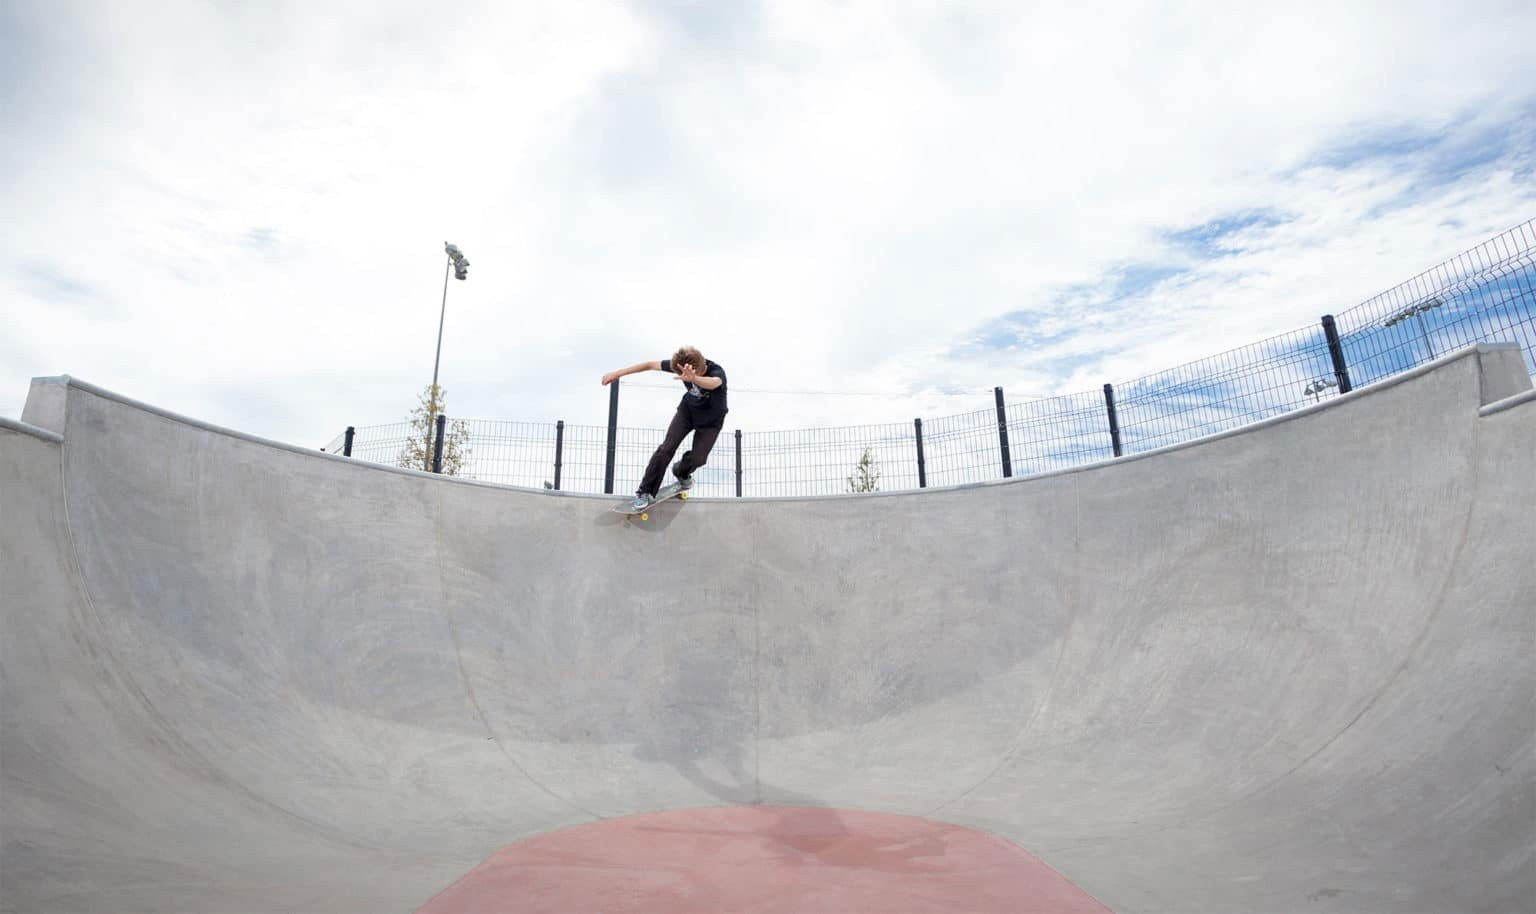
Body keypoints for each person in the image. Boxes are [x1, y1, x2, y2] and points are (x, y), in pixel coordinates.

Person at [601, 347, 728, 511]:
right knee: (666, 448)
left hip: (711, 421)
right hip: (687, 412)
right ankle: (644, 492)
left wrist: (694, 378)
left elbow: (714, 383)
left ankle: (681, 471)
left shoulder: (716, 371)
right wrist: (618, 373)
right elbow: (650, 364)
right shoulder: (682, 366)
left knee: (698, 459)